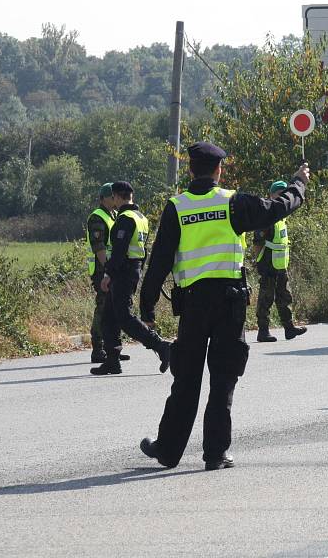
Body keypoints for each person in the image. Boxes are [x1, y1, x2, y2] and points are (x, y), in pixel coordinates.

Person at [138, 142, 308, 470]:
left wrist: (147, 309)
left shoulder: (178, 207)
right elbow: (277, 208)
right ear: (219, 170)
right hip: (230, 303)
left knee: (186, 378)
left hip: (192, 306)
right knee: (223, 377)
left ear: (190, 170)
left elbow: (159, 261)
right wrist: (298, 182)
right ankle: (216, 453)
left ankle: (168, 450)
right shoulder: (234, 202)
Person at [89, 182, 171, 376]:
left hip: (122, 271)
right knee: (109, 317)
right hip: (133, 269)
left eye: (114, 197)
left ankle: (161, 347)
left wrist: (108, 275)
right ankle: (112, 361)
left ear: (117, 197)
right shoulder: (141, 218)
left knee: (124, 317)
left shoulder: (125, 218)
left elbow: (118, 251)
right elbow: (144, 251)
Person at [252, 180, 307, 342]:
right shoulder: (266, 216)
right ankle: (263, 331)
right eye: (279, 193)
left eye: (285, 193)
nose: (283, 196)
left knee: (285, 296)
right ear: (271, 195)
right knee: (266, 298)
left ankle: (289, 328)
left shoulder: (281, 217)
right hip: (268, 264)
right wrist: (258, 261)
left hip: (281, 265)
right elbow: (258, 242)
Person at [86, 183, 120, 364]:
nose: (115, 199)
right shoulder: (97, 217)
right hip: (102, 270)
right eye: (111, 196)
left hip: (111, 269)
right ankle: (97, 348)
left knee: (113, 309)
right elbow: (98, 247)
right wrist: (108, 270)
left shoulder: (113, 215)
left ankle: (111, 347)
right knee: (103, 307)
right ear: (103, 198)